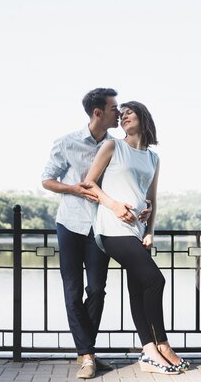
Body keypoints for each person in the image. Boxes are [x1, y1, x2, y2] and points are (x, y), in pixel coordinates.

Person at [41, 88, 150, 379]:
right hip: (70, 223)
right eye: (115, 108)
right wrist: (72, 188)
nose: (120, 113)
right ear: (98, 112)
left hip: (100, 226)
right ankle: (87, 354)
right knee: (73, 290)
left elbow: (129, 183)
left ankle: (86, 351)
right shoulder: (67, 142)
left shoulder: (117, 146)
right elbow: (47, 180)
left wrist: (144, 205)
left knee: (97, 290)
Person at [84, 101, 190, 375]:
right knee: (156, 280)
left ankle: (149, 353)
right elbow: (89, 182)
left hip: (137, 232)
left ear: (143, 118)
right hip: (111, 229)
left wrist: (150, 229)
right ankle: (162, 345)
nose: (123, 117)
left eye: (129, 112)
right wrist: (114, 204)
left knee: (139, 289)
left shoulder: (153, 158)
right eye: (121, 115)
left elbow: (151, 199)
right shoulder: (113, 147)